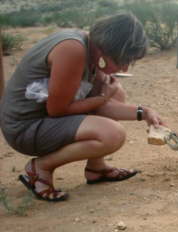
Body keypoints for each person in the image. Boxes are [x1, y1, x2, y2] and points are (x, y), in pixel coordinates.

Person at [0, 13, 164, 202]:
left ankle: (97, 168)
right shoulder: (73, 50)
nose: (125, 69)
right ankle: (40, 168)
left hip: (45, 119)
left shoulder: (89, 45)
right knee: (112, 133)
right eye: (123, 61)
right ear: (106, 50)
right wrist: (103, 97)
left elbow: (98, 105)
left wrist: (145, 113)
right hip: (25, 128)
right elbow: (57, 110)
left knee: (115, 91)